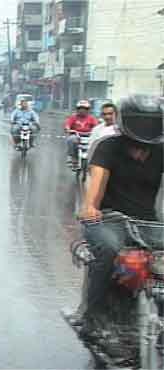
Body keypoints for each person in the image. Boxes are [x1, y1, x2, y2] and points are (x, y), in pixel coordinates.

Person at [78, 94, 164, 339]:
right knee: (108, 249)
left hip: (147, 222)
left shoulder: (161, 150)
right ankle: (92, 317)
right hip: (108, 218)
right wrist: (91, 206)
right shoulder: (108, 146)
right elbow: (97, 181)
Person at [64, 100, 99, 166]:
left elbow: (96, 127)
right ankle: (72, 157)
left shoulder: (91, 118)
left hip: (89, 136)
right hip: (76, 136)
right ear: (77, 109)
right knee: (71, 139)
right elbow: (67, 125)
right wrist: (68, 129)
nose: (82, 110)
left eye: (85, 109)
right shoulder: (73, 117)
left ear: (88, 110)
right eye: (80, 108)